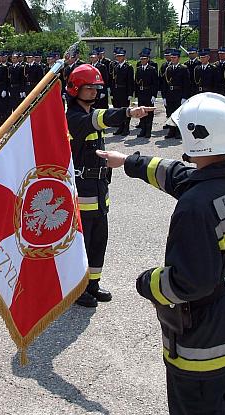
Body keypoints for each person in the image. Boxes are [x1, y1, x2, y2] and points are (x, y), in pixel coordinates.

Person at [97, 92, 225, 415]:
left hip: (202, 324)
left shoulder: (194, 209)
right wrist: (126, 162)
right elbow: (177, 175)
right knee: (222, 403)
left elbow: (188, 283)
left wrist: (147, 284)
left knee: (197, 411)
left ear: (196, 137)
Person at [65, 64, 153, 307]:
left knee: (98, 240)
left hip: (99, 186)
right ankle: (77, 289)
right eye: (88, 87)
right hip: (82, 189)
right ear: (75, 89)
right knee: (82, 241)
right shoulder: (73, 116)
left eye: (96, 87)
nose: (94, 91)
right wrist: (127, 113)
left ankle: (92, 283)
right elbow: (98, 119)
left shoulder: (88, 112)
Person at [163, 49, 190, 139]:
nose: (172, 59)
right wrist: (164, 97)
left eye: (174, 58)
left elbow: (186, 84)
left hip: (179, 93)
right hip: (170, 93)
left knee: (178, 113)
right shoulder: (168, 69)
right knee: (171, 112)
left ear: (178, 58)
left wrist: (184, 97)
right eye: (171, 58)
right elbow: (165, 84)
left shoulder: (183, 68)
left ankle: (178, 131)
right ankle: (172, 130)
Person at [134, 48, 158, 138]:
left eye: (144, 59)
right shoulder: (139, 69)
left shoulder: (152, 69)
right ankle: (143, 130)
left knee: (149, 113)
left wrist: (154, 95)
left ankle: (148, 131)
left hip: (149, 93)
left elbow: (155, 83)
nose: (143, 60)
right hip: (141, 93)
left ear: (148, 59)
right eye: (141, 59)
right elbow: (136, 82)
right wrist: (136, 95)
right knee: (141, 112)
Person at [110, 48, 134, 136]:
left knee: (125, 110)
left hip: (124, 91)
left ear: (124, 57)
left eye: (120, 56)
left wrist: (130, 93)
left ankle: (126, 128)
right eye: (117, 56)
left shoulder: (128, 67)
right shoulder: (115, 66)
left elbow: (130, 81)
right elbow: (113, 80)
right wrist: (112, 92)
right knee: (118, 110)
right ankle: (120, 127)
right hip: (116, 91)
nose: (118, 58)